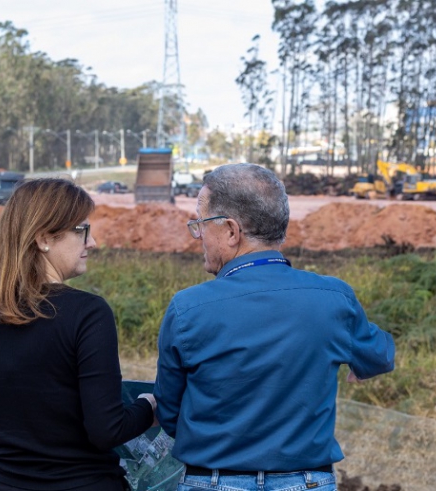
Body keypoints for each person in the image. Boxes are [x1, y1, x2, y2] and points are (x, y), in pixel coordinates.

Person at [154, 163, 395, 491]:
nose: (197, 235)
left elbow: (170, 413)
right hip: (307, 481)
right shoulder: (334, 298)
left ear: (230, 230)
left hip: (211, 480)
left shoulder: (188, 308)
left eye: (199, 224)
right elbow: (380, 356)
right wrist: (353, 352)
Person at [0, 178, 156, 491]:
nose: (92, 243)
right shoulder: (87, 313)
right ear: (45, 238)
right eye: (82, 230)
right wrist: (149, 406)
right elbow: (107, 430)